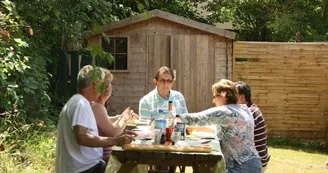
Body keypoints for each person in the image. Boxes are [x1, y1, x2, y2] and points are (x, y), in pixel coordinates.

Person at [55, 65, 137, 173]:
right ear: (95, 85)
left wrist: (122, 135)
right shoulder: (81, 103)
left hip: (84, 167)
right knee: (132, 166)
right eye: (101, 85)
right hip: (84, 169)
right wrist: (115, 141)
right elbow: (82, 137)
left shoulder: (77, 102)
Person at [180, 79, 262, 173]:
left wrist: (173, 116)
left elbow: (196, 119)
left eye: (215, 96)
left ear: (224, 94)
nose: (213, 100)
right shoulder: (244, 109)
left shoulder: (225, 111)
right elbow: (229, 131)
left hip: (241, 166)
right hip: (254, 164)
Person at [91, 68, 138, 163]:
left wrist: (121, 117)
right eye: (103, 83)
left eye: (109, 83)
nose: (107, 86)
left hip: (102, 157)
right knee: (135, 162)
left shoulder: (98, 105)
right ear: (96, 86)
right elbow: (113, 132)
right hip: (101, 160)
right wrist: (124, 119)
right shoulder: (96, 106)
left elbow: (106, 121)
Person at [234, 81, 270, 172]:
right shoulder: (251, 109)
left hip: (255, 163)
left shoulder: (249, 113)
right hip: (257, 160)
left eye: (232, 95)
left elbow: (236, 138)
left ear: (241, 97)